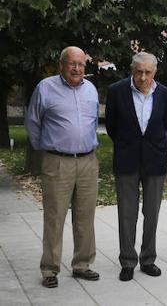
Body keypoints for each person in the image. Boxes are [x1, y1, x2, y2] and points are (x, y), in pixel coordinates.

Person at [26, 46, 100, 288]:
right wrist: (47, 150)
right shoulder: (45, 88)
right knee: (55, 217)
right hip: (57, 161)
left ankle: (82, 265)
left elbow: (92, 123)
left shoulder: (91, 89)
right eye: (72, 63)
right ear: (61, 65)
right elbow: (33, 122)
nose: (77, 68)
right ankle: (50, 268)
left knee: (85, 217)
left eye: (81, 64)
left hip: (88, 161)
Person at [105, 52, 167, 281]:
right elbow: (112, 127)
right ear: (132, 70)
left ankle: (148, 259)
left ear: (155, 72)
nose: (143, 77)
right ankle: (127, 261)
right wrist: (127, 146)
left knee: (151, 213)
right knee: (127, 213)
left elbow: (164, 125)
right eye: (139, 72)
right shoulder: (116, 91)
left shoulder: (164, 94)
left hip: (154, 160)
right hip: (127, 159)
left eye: (148, 72)